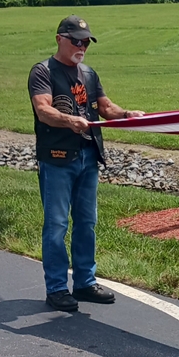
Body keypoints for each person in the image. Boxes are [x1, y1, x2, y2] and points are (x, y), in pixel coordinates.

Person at [28, 16, 145, 313]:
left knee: (87, 223)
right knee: (56, 224)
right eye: (76, 40)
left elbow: (105, 107)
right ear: (59, 39)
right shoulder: (43, 72)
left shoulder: (89, 74)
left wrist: (128, 114)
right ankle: (56, 289)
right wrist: (71, 121)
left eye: (86, 42)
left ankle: (84, 282)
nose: (82, 46)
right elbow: (43, 110)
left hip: (88, 156)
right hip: (57, 159)